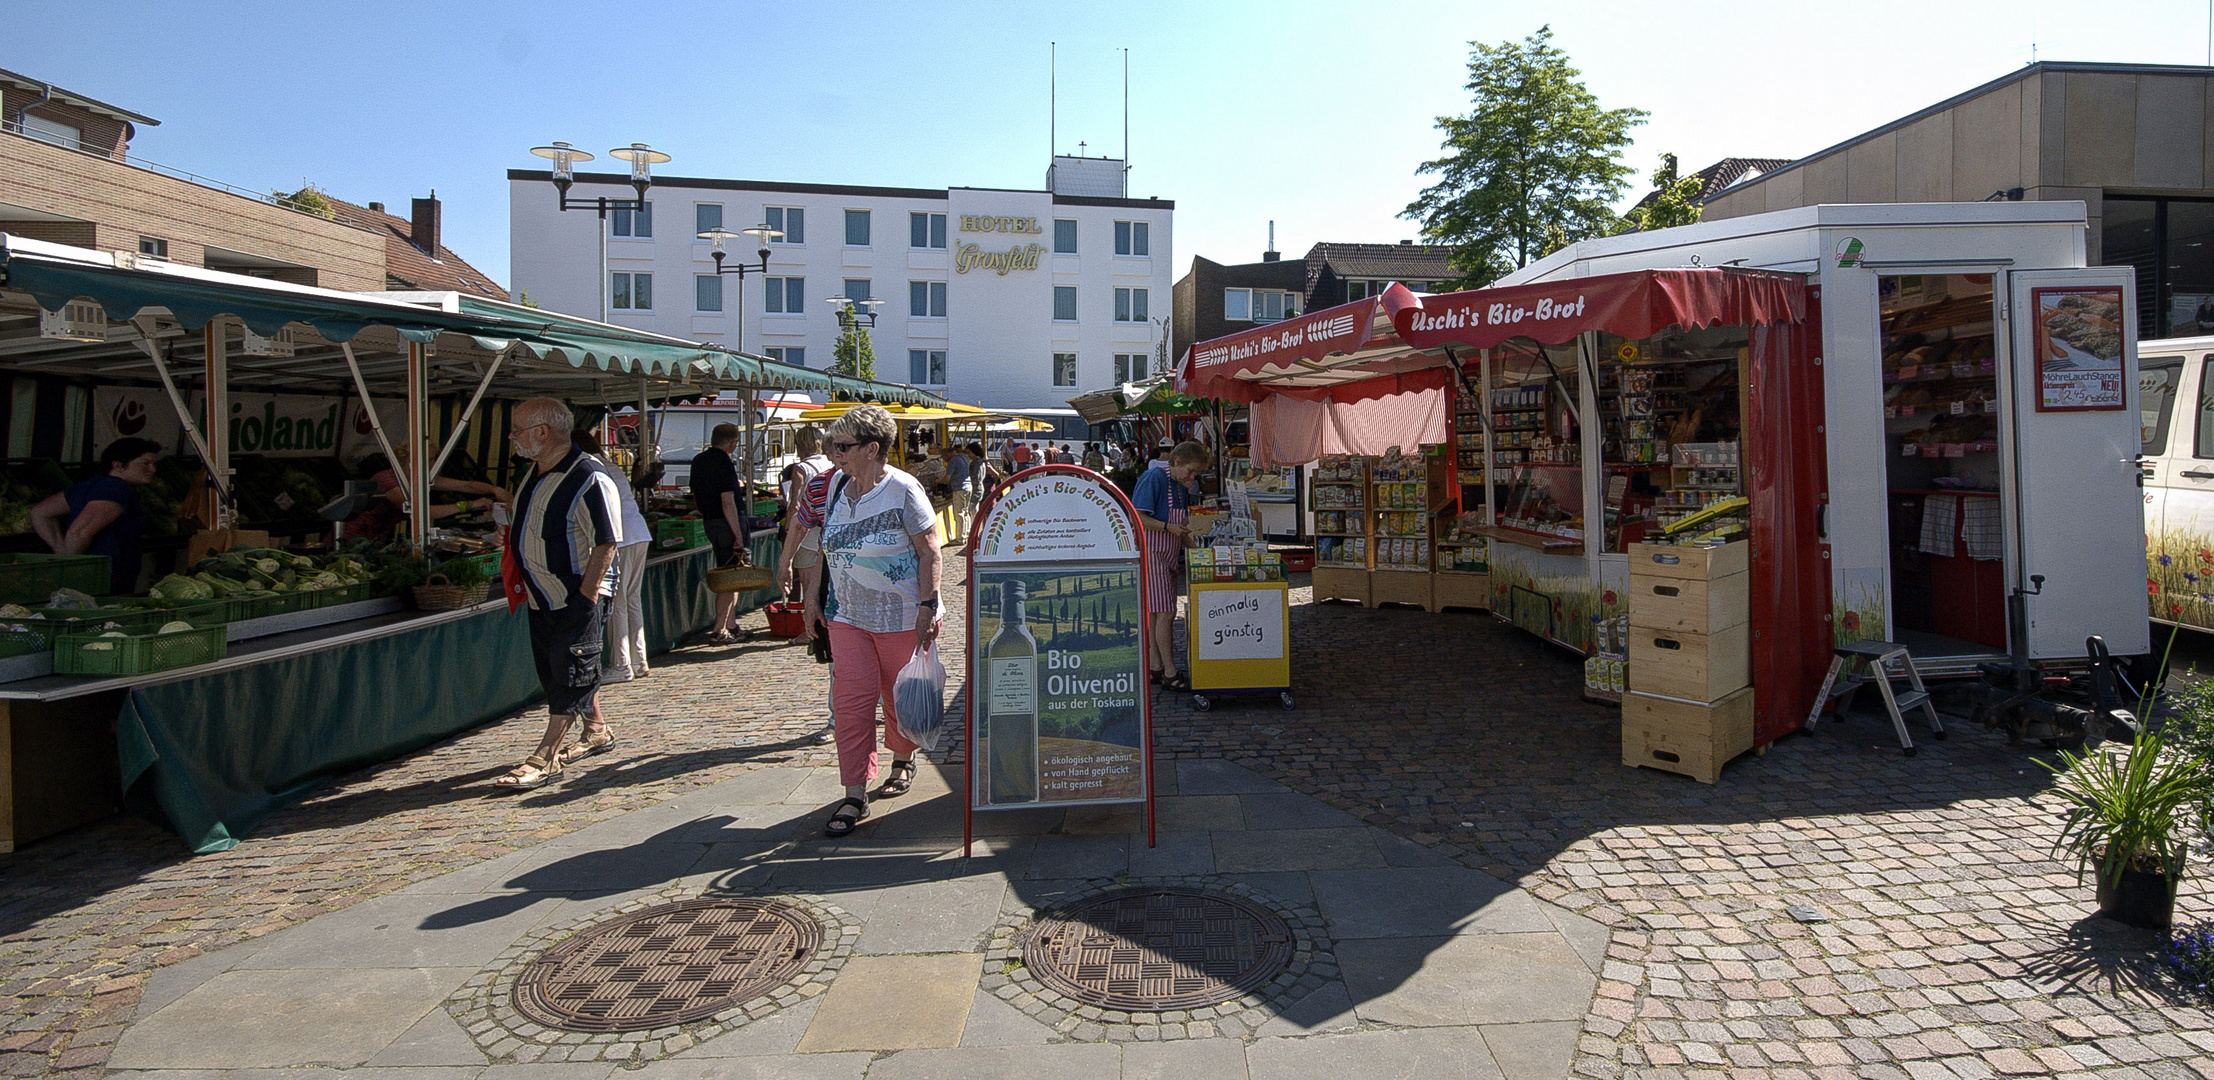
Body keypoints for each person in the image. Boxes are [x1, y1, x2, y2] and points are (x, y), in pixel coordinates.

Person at [801, 404, 941, 837]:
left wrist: (928, 605)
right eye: (831, 445)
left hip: (901, 615)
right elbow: (817, 543)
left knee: (898, 697)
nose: (833, 453)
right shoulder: (833, 489)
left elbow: (930, 550)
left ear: (872, 448)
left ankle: (903, 758)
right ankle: (854, 792)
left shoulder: (903, 489)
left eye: (842, 446)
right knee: (851, 702)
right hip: (847, 617)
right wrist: (811, 598)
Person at [495, 398, 626, 789]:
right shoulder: (533, 471)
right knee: (559, 668)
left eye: (517, 429)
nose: (512, 436)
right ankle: (597, 729)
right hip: (541, 595)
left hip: (574, 595)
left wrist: (585, 599)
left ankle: (545, 757)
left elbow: (607, 543)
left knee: (570, 675)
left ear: (542, 432)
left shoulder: (589, 476)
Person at [33, 437, 161, 594]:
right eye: (145, 463)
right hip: (103, 579)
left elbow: (40, 513)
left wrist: (60, 550)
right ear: (118, 465)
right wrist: (69, 569)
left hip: (95, 576)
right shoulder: (116, 489)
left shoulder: (90, 485)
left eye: (154, 464)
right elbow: (79, 532)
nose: (153, 469)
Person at [1133, 441, 1209, 692]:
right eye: (1190, 471)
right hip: (1152, 552)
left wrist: (1194, 548)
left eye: (1196, 473)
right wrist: (1167, 528)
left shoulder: (1179, 486)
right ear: (1176, 462)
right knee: (1166, 613)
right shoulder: (1155, 477)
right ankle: (1170, 671)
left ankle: (1155, 666)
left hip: (1168, 554)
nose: (1193, 477)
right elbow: (1138, 517)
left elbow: (1181, 525)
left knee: (1156, 614)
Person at [576, 430, 652, 683]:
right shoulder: (610, 466)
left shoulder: (589, 469)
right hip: (638, 532)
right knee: (631, 599)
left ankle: (621, 665)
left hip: (621, 535)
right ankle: (639, 660)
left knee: (618, 601)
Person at [342, 447, 509, 540]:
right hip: (353, 538)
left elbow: (467, 485)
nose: (434, 463)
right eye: (430, 459)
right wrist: (469, 505)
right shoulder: (389, 481)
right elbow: (424, 513)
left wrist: (494, 489)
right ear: (412, 460)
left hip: (377, 537)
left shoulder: (419, 478)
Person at [691, 423, 750, 644]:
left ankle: (731, 623)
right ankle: (719, 628)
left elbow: (695, 495)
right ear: (733, 443)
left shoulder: (699, 460)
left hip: (710, 521)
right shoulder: (724, 462)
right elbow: (728, 501)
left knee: (733, 573)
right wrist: (737, 534)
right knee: (730, 575)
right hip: (727, 523)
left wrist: (706, 512)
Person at [943, 440, 974, 544]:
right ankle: (967, 533)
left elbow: (947, 478)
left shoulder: (953, 461)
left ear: (948, 454)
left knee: (959, 513)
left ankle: (960, 538)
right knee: (965, 511)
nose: (944, 459)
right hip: (968, 486)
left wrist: (938, 481)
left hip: (959, 488)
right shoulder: (963, 458)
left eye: (944, 457)